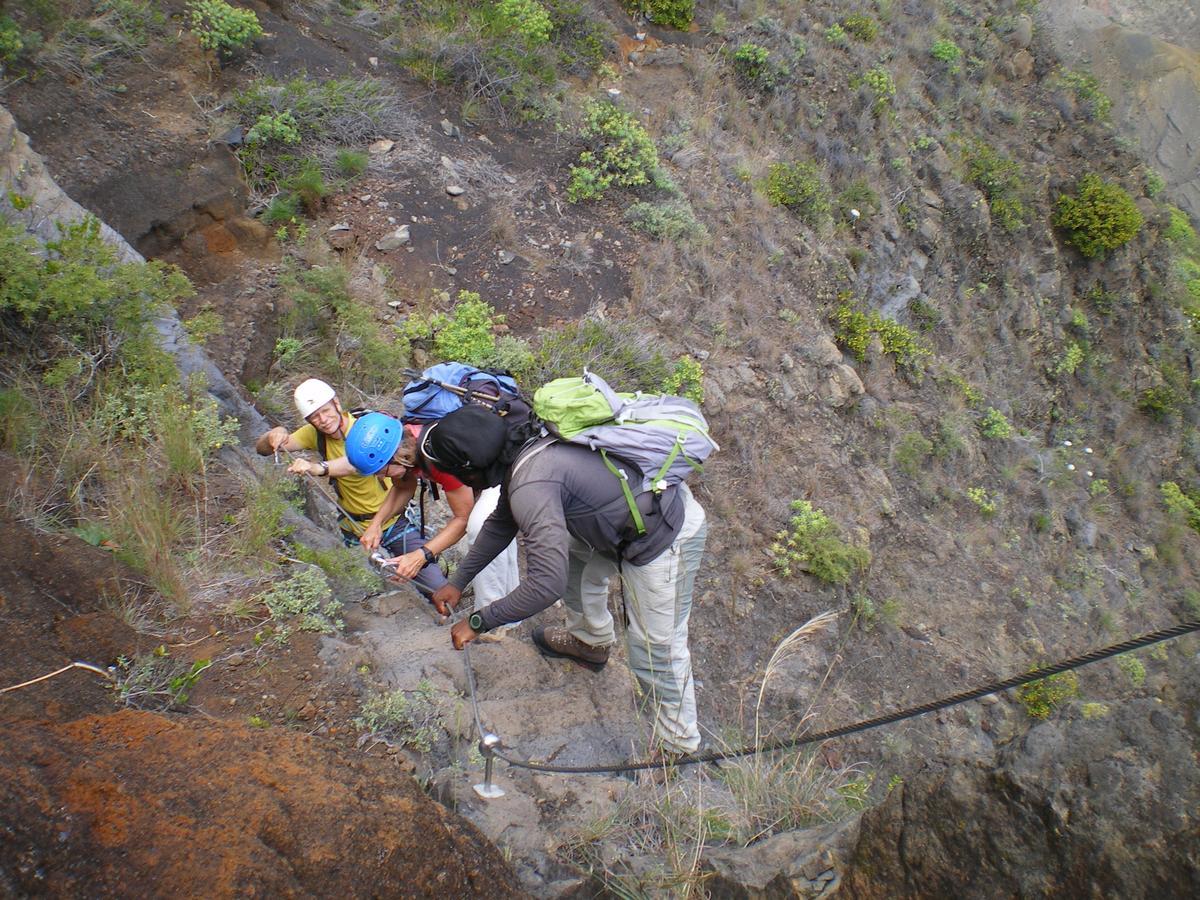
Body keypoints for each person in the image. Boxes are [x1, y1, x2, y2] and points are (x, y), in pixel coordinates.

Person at [426, 405, 709, 756]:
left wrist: (478, 621)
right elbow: (501, 522)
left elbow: (546, 586)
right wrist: (460, 580)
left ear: (469, 469)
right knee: (572, 556)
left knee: (654, 650)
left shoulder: (531, 482)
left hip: (664, 535)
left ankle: (679, 746)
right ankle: (590, 642)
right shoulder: (523, 447)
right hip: (620, 523)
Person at [346, 412, 519, 617]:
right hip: (492, 469)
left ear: (397, 456)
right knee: (494, 535)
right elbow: (403, 488)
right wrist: (376, 524)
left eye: (383, 471)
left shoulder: (435, 454)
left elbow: (462, 518)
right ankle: (512, 612)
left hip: (506, 471)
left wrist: (420, 556)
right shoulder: (407, 445)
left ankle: (491, 615)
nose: (382, 477)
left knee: (480, 528)